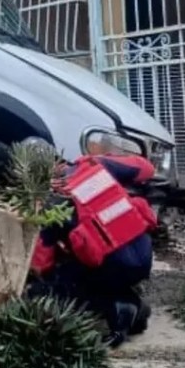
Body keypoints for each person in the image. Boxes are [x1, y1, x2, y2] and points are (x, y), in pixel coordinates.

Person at [25, 145, 159, 347]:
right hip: (144, 253)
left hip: (111, 265)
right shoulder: (96, 164)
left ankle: (121, 306)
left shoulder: (50, 202)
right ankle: (128, 309)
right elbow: (146, 168)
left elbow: (40, 265)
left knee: (45, 287)